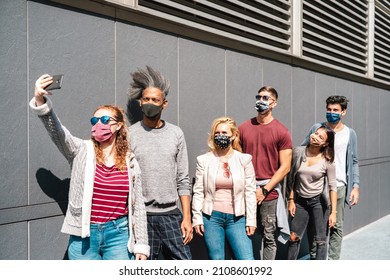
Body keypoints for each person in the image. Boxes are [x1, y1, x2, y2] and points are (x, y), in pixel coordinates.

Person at [29, 74, 149, 260]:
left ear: (117, 126)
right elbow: (57, 132)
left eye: (104, 121)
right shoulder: (81, 150)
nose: (97, 125)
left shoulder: (130, 161)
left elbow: (138, 205)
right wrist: (40, 100)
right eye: (94, 121)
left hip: (119, 234)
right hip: (84, 235)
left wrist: (141, 244)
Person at [128, 66, 193, 260]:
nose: (150, 103)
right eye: (146, 99)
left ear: (164, 104)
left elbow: (183, 179)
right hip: (141, 216)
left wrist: (187, 217)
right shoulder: (130, 134)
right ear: (140, 102)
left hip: (171, 214)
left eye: (155, 100)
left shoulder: (176, 133)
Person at [302, 95, 359, 260]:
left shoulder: (350, 133)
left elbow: (354, 160)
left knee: (336, 226)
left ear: (343, 112)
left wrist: (355, 185)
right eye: (329, 109)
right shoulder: (317, 128)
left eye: (335, 110)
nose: (331, 113)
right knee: (315, 226)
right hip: (317, 185)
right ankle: (315, 258)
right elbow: (303, 149)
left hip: (339, 185)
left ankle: (333, 262)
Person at [192, 117, 257, 260]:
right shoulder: (203, 160)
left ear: (233, 135)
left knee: (247, 259)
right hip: (211, 218)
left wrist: (251, 220)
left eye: (224, 132)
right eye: (217, 133)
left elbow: (250, 192)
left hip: (238, 218)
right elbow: (198, 191)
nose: (220, 135)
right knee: (217, 260)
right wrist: (197, 218)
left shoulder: (244, 159)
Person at [239, 85, 292, 260]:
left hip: (268, 193)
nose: (261, 101)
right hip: (246, 191)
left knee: (269, 237)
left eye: (265, 98)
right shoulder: (244, 128)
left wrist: (264, 190)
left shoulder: (282, 131)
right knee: (249, 234)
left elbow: (285, 167)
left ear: (274, 103)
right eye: (259, 97)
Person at [286, 125, 337, 260]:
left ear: (325, 143)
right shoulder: (298, 152)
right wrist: (291, 200)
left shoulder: (327, 160)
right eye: (316, 133)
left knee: (320, 240)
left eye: (320, 137)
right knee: (293, 237)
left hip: (318, 203)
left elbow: (333, 187)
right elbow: (292, 179)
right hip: (300, 202)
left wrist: (333, 212)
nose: (315, 137)